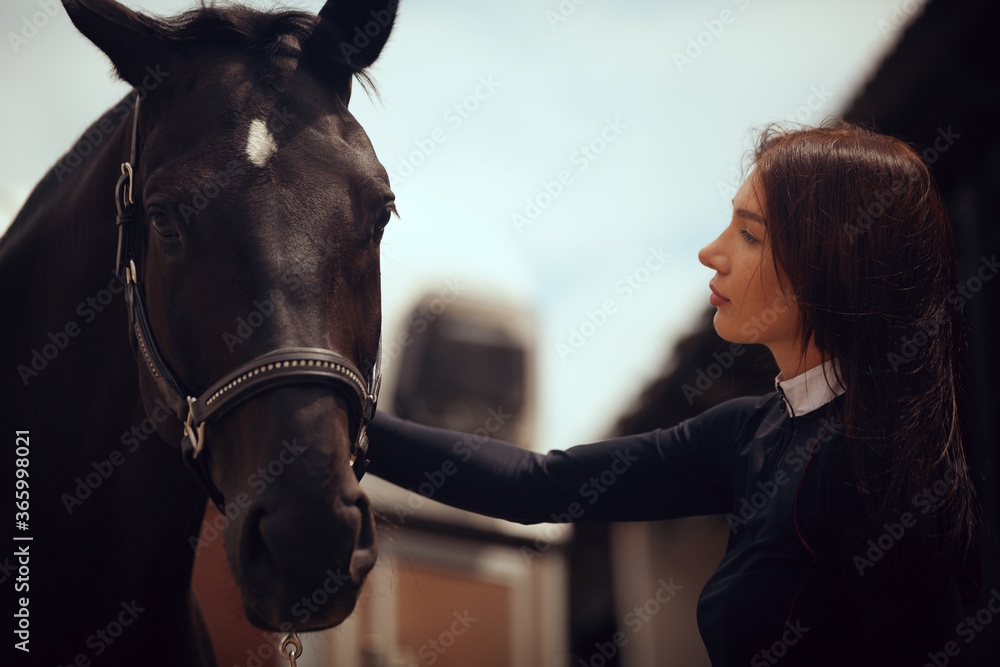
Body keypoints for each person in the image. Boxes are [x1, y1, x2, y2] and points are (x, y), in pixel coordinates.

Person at [366, 121, 982, 666]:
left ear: (829, 263)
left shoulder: (873, 468)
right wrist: (347, 416)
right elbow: (538, 484)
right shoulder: (749, 432)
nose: (710, 252)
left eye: (749, 234)